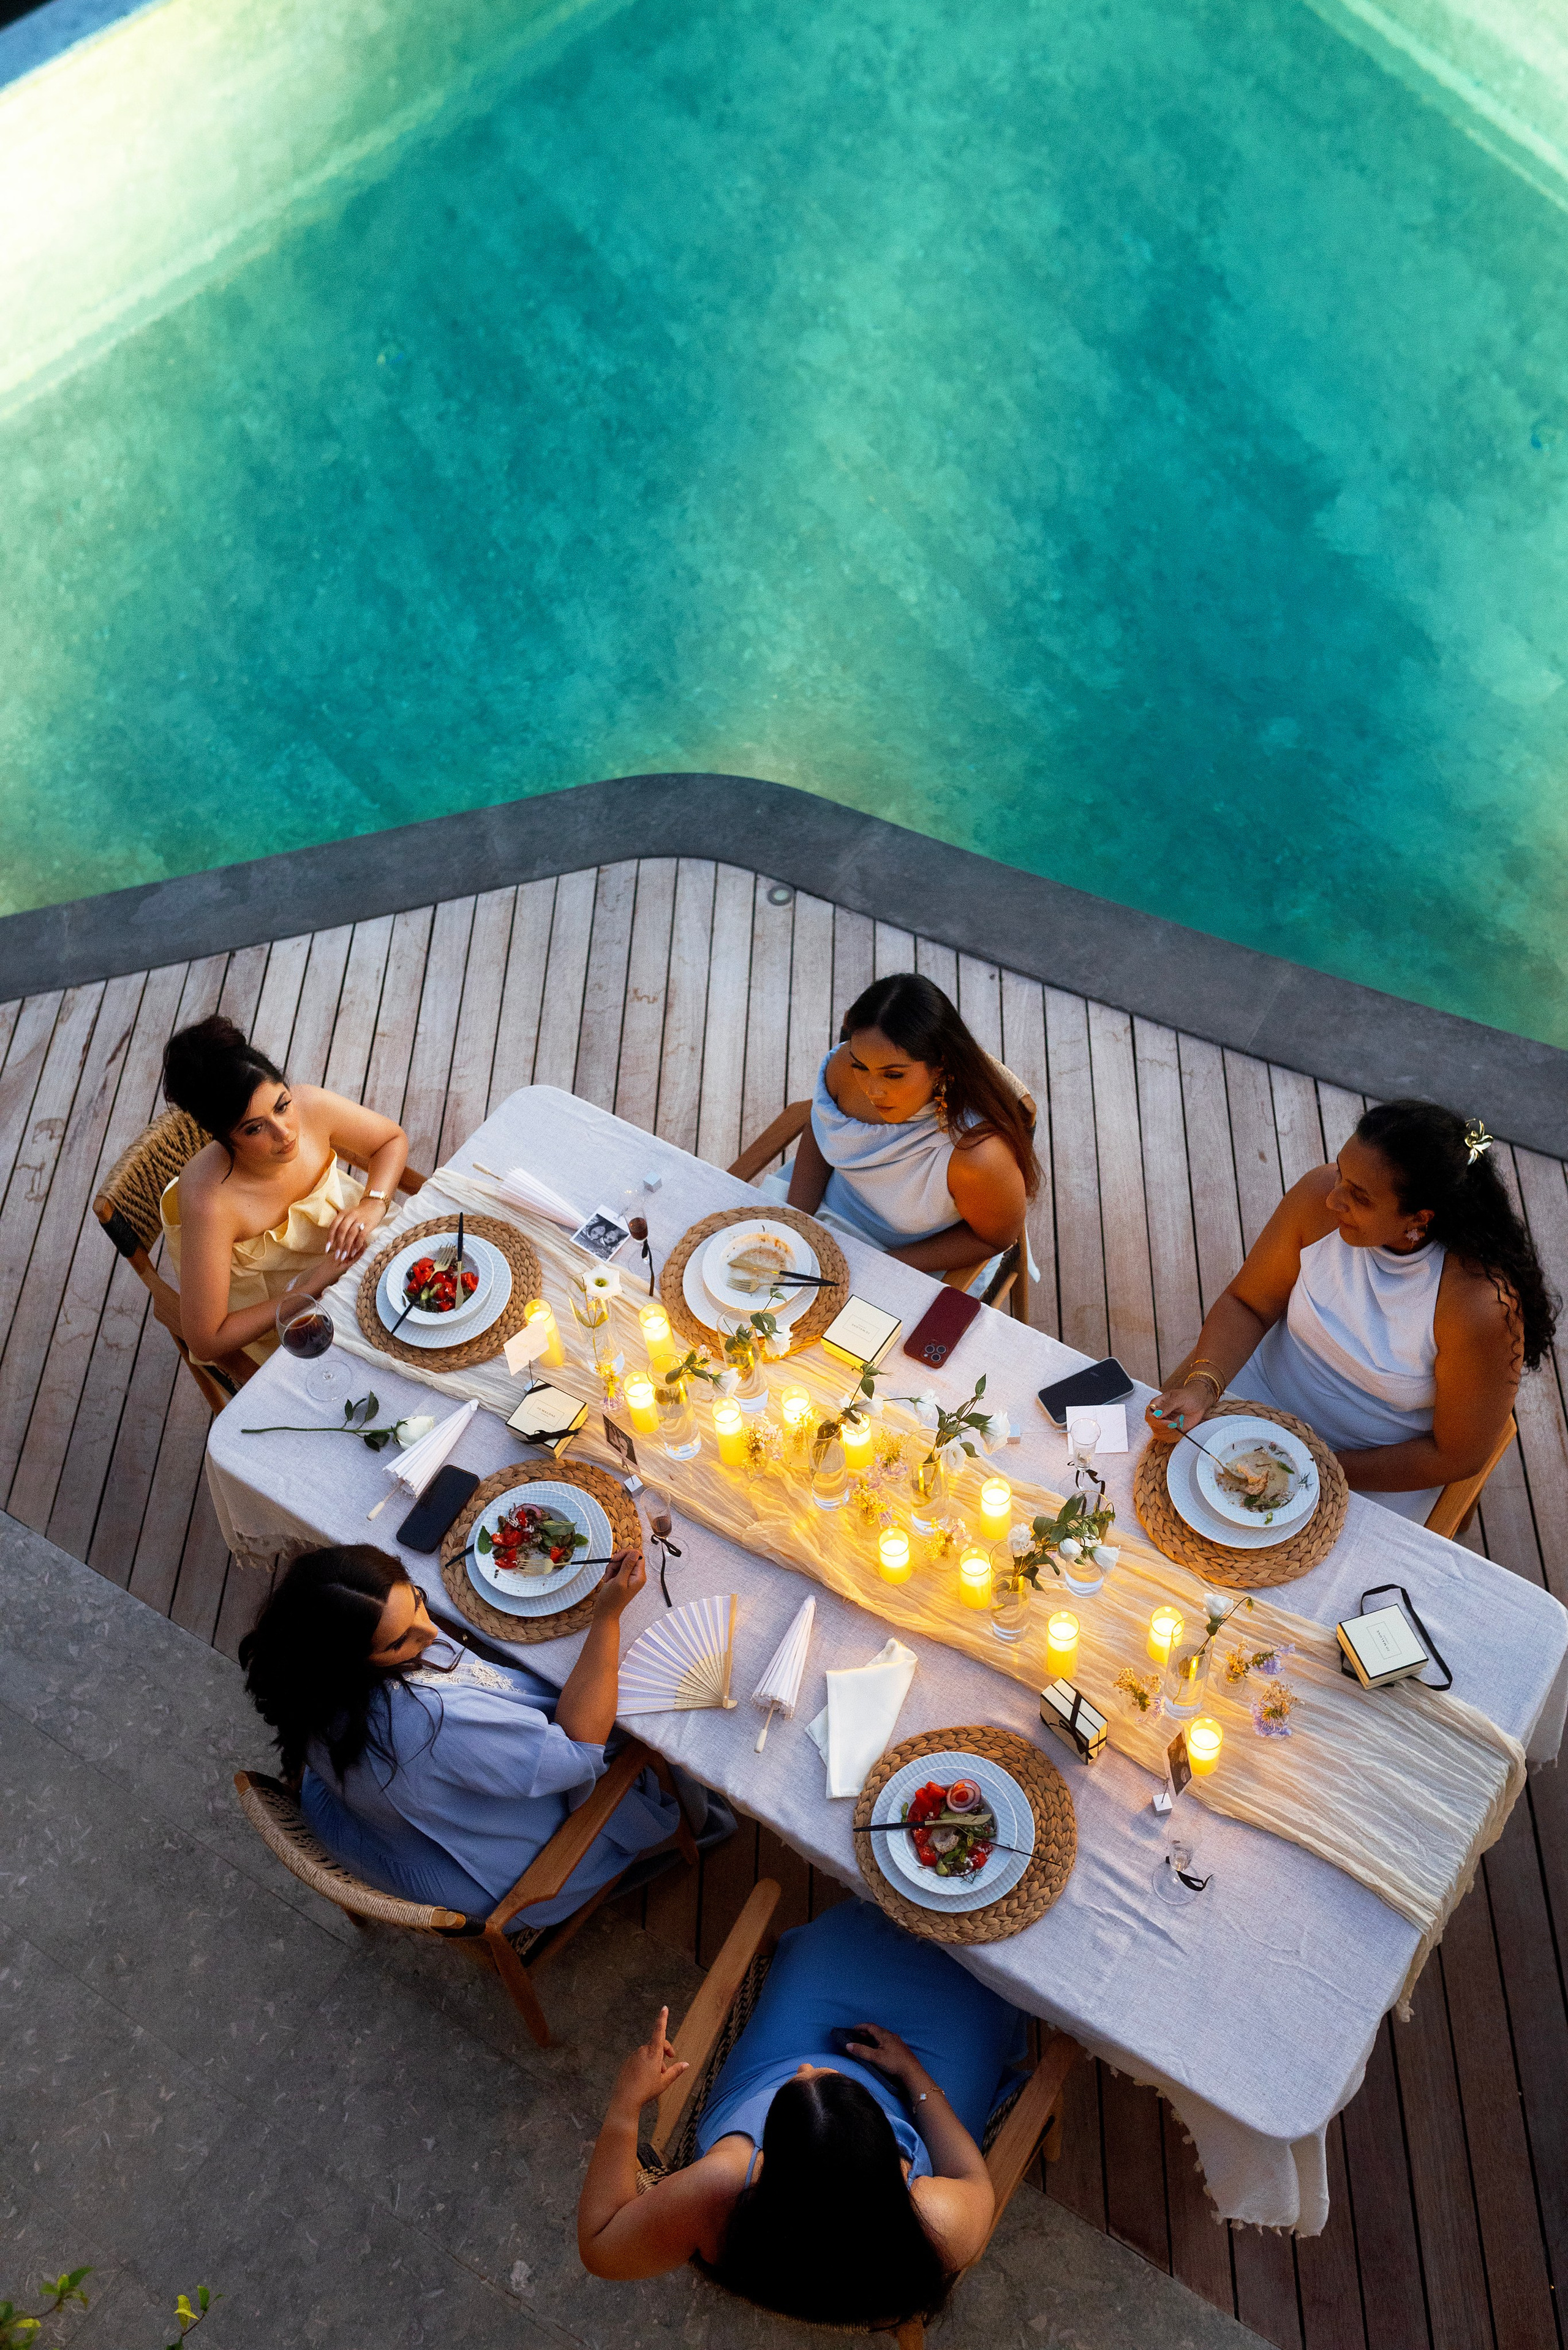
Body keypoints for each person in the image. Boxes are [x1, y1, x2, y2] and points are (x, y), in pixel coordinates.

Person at [577, 1901, 1025, 2324]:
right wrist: (914, 2076)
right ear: (885, 2152)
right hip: (916, 2082)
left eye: (801, 2077)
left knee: (841, 1936)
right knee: (988, 1981)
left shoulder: (719, 2187)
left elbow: (601, 2246)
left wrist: (626, 2103)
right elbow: (973, 2178)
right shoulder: (934, 2220)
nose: (809, 2064)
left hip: (787, 2081)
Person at [238, 1543, 712, 1927]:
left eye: (417, 1601)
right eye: (401, 1640)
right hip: (497, 1876)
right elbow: (578, 1751)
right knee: (648, 1731)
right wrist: (606, 1617)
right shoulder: (433, 1723)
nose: (430, 1630)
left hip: (375, 1821)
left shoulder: (303, 1672)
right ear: (350, 1660)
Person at [1145, 1101, 1557, 1521]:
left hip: (1371, 1469)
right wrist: (1202, 1387)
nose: (1332, 1198)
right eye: (1341, 1172)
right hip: (1253, 1401)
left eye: (1358, 1196)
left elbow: (1455, 1455)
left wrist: (1314, 1468)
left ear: (1417, 1219)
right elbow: (1247, 1303)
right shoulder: (1318, 1199)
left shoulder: (1479, 1306)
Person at [160, 1014, 409, 1367]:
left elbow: (390, 1140)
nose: (286, 1133)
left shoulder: (310, 1104)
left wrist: (373, 1204)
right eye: (254, 1130)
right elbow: (207, 1340)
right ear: (222, 1136)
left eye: (282, 1106)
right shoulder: (208, 1202)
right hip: (293, 1317)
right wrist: (312, 1286)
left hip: (362, 1243)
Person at [776, 974, 1039, 1284]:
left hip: (916, 1258)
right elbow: (823, 1131)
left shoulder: (978, 1157)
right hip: (823, 1208)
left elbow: (995, 1239)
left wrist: (878, 1267)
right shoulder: (844, 1070)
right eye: (862, 1066)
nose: (872, 1090)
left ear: (941, 1065)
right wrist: (795, 1225)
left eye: (894, 1076)